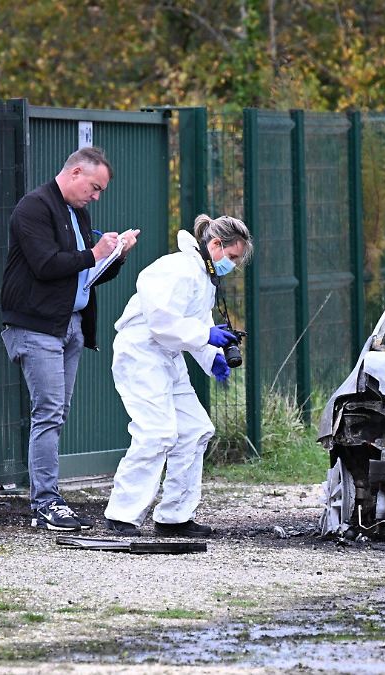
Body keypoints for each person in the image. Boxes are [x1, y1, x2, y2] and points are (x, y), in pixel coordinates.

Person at [0, 146, 140, 531]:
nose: (95, 196)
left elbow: (83, 276)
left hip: (70, 325)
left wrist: (116, 256)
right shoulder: (34, 207)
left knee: (56, 414)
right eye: (94, 188)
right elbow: (46, 265)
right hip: (36, 326)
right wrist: (95, 252)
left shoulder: (77, 212)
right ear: (76, 172)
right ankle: (46, 502)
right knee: (48, 413)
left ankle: (48, 497)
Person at [103, 214, 253, 537]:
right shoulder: (176, 268)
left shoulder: (203, 279)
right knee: (157, 431)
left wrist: (212, 357)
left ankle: (174, 517)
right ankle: (122, 514)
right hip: (141, 352)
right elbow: (161, 323)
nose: (234, 265)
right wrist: (206, 337)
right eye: (232, 257)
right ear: (215, 245)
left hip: (166, 357)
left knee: (195, 430)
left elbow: (193, 326)